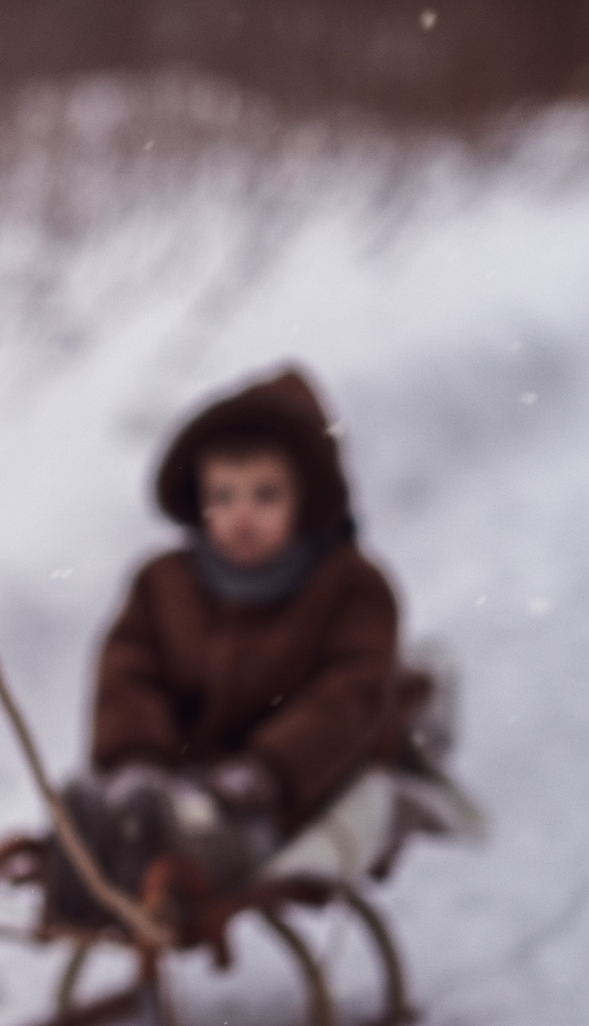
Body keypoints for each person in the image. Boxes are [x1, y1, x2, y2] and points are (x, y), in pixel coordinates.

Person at [51, 368, 426, 921]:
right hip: (178, 776)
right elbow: (130, 670)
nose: (239, 516)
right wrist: (136, 751)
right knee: (142, 808)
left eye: (265, 496)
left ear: (308, 499)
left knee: (218, 835)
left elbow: (351, 694)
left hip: (289, 797)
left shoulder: (350, 587)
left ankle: (168, 855)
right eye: (221, 496)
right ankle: (106, 838)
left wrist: (272, 768)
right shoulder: (166, 582)